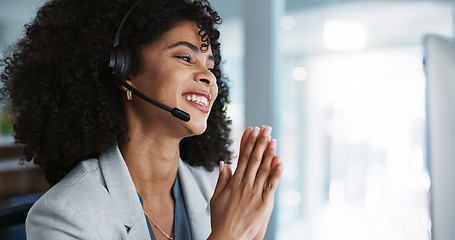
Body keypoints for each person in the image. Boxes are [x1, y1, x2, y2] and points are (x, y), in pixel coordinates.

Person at [0, 0, 283, 239]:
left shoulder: (216, 190)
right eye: (185, 57)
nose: (208, 77)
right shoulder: (63, 214)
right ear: (124, 71)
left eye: (210, 66)